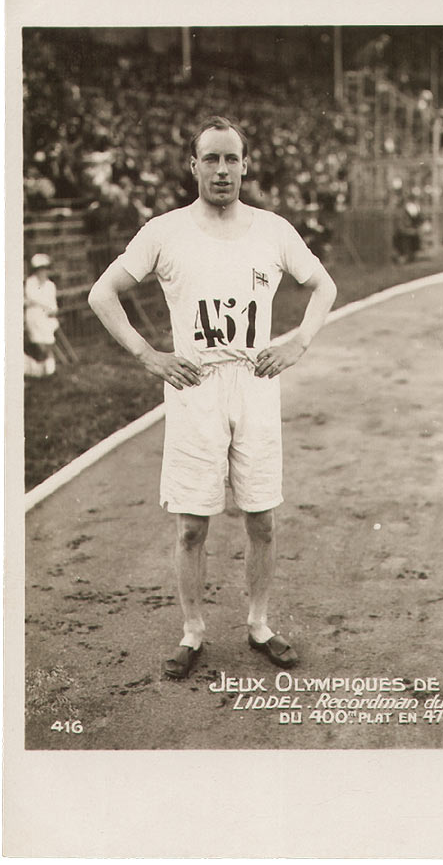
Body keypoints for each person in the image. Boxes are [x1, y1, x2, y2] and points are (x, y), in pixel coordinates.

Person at [88, 115, 337, 679]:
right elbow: (103, 294)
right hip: (195, 387)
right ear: (192, 166)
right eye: (211, 159)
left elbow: (324, 286)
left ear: (245, 165)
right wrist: (149, 355)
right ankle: (193, 632)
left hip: (254, 383)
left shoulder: (273, 229)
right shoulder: (165, 230)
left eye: (231, 159)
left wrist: (298, 343)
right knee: (192, 524)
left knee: (262, 516)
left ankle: (259, 623)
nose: (222, 170)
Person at [24, 252, 59, 376]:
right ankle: (46, 362)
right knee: (35, 317)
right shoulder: (30, 282)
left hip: (47, 317)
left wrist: (40, 303)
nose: (42, 272)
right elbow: (31, 297)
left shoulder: (50, 285)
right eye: (39, 269)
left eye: (44, 269)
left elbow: (53, 307)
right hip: (34, 316)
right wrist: (43, 304)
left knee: (48, 331)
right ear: (35, 271)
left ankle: (48, 363)